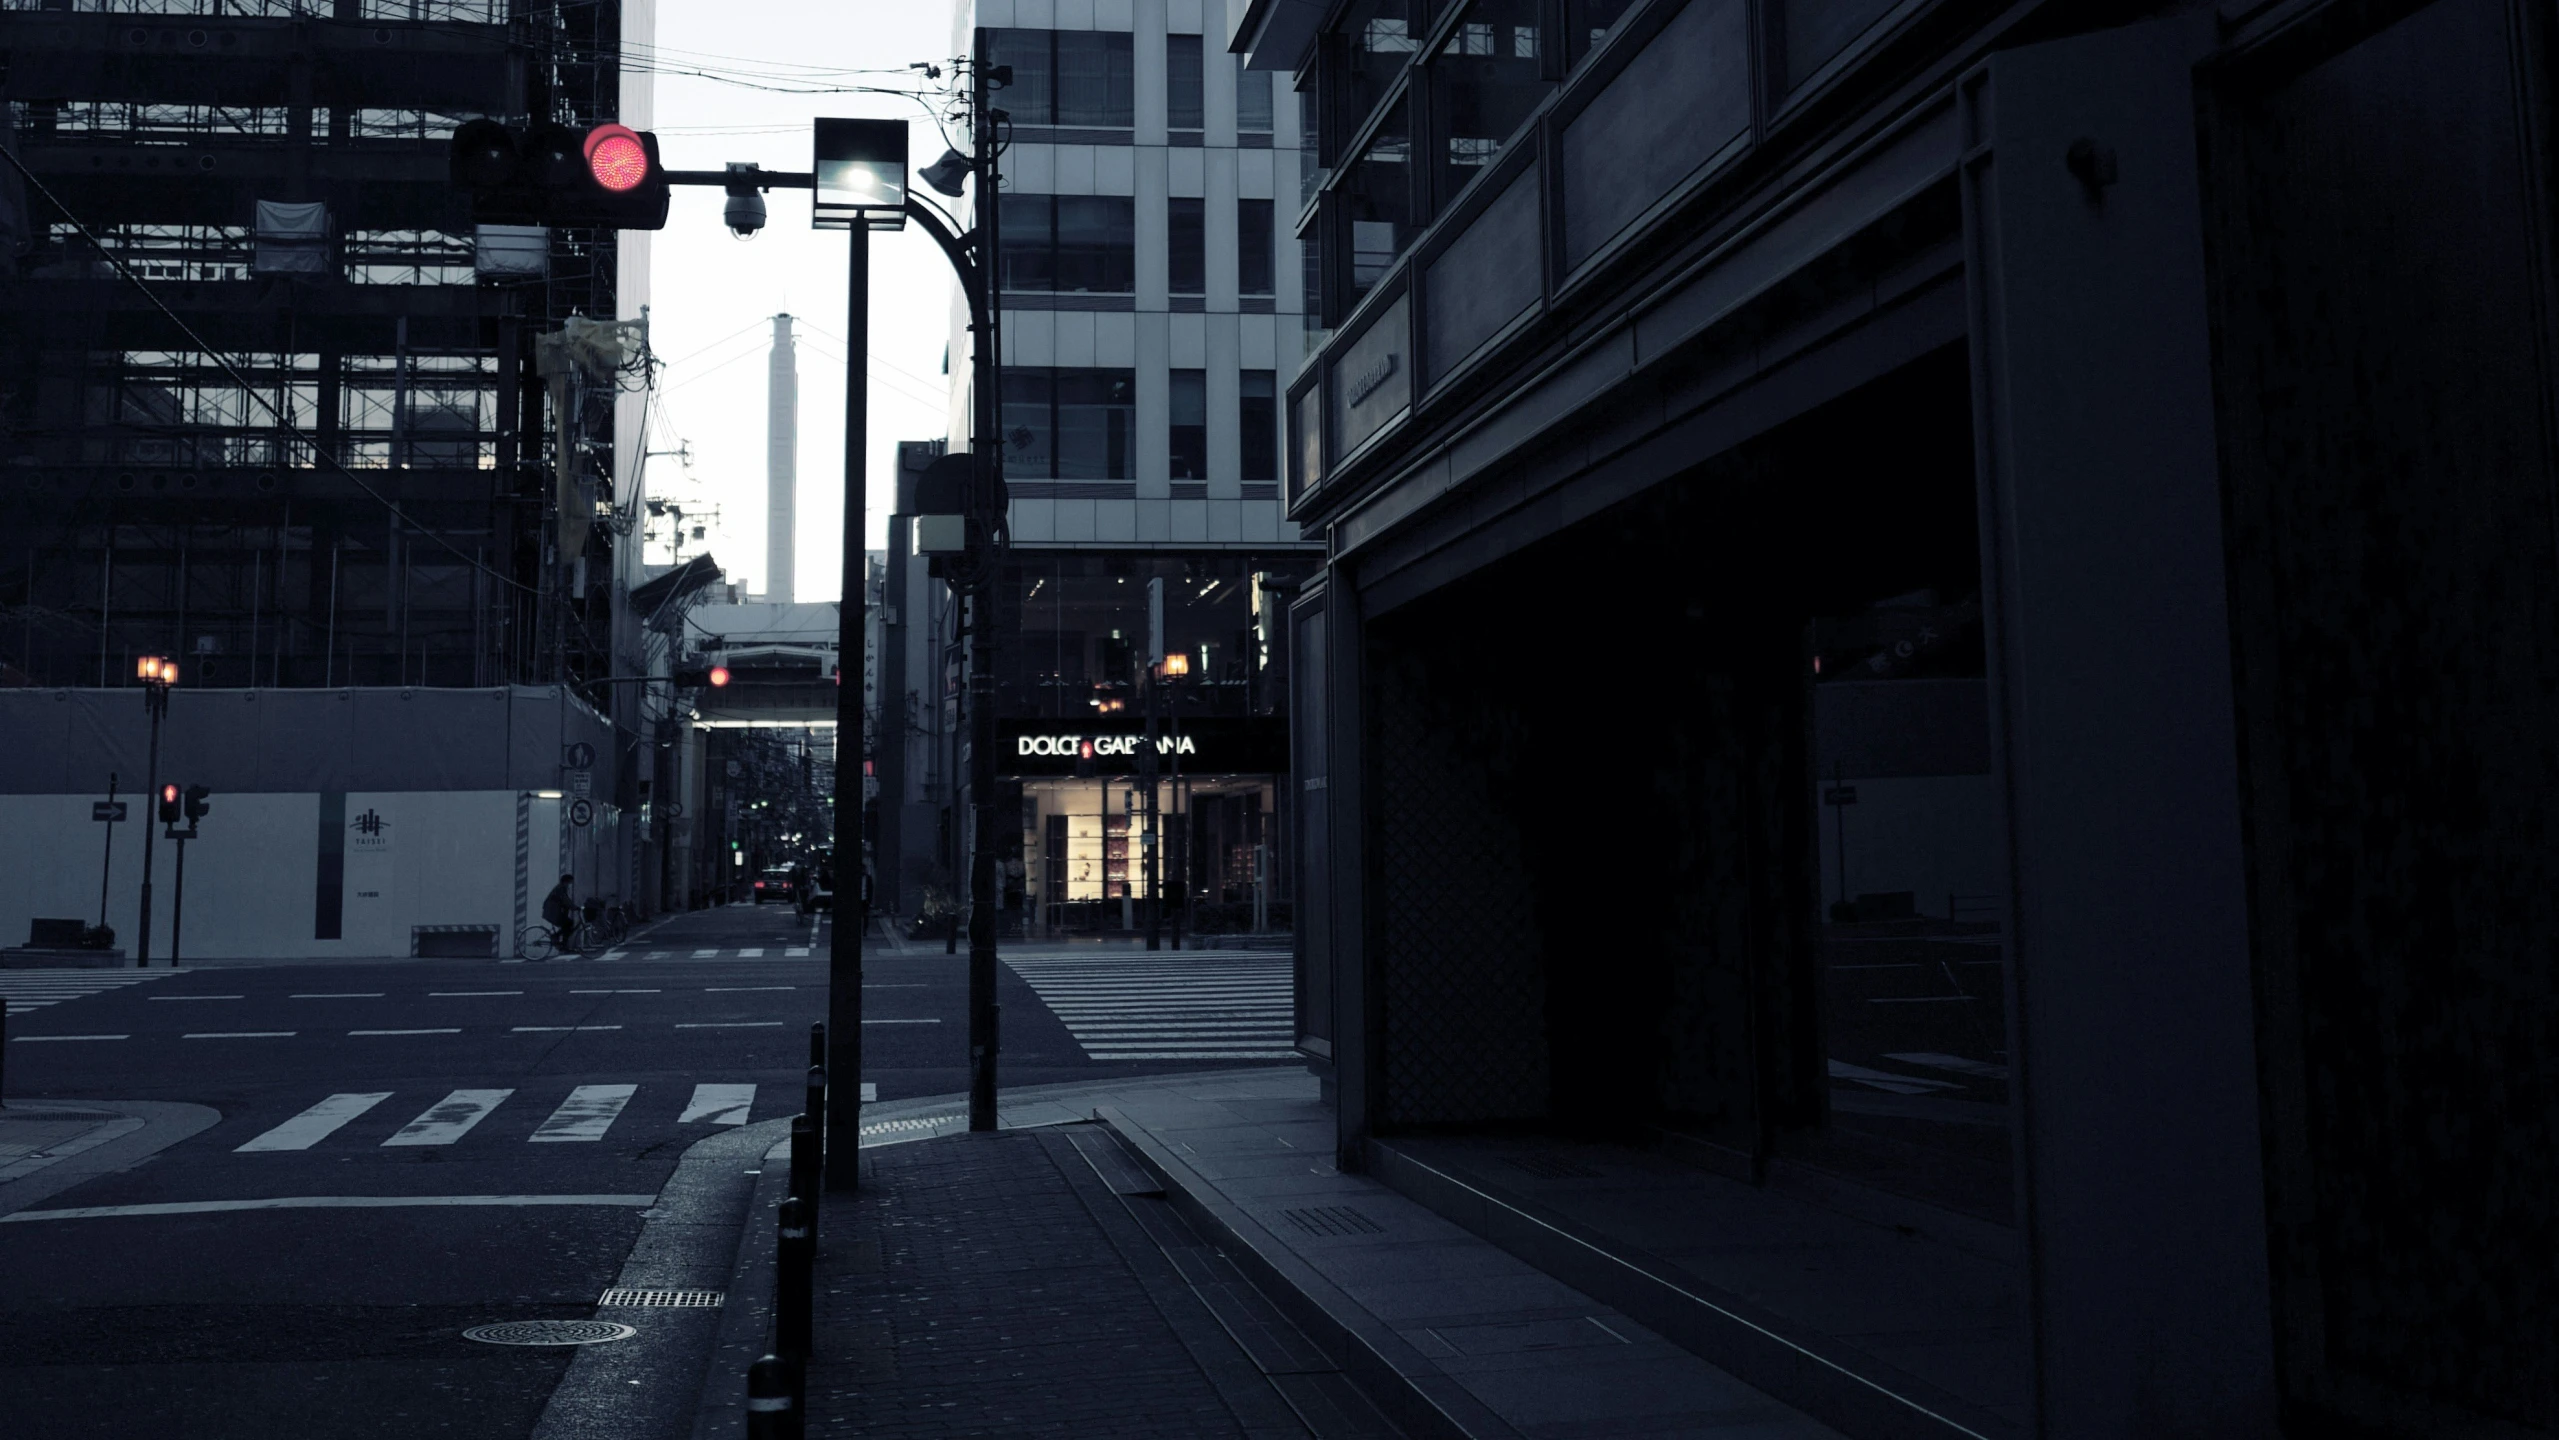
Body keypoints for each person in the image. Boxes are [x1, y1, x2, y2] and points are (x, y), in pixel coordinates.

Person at [541, 873, 574, 953]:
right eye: (569, 883)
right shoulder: (560, 888)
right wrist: (575, 907)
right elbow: (565, 900)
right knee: (569, 923)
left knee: (567, 924)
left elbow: (566, 900)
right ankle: (559, 941)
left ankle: (561, 942)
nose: (569, 885)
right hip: (552, 912)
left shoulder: (561, 887)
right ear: (565, 882)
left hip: (553, 911)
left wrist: (573, 906)